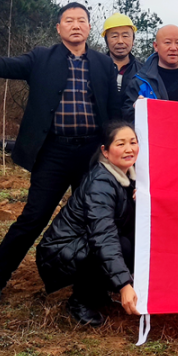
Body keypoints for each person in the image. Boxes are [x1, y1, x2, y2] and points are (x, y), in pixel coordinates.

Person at [0, 2, 122, 302]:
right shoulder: (41, 58)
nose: (76, 25)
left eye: (82, 21)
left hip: (92, 155)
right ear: (58, 28)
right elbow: (5, 65)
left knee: (96, 218)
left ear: (90, 27)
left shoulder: (103, 64)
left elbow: (115, 111)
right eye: (69, 20)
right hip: (54, 153)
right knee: (33, 217)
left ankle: (92, 287)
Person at [36, 121, 140, 326]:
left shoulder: (131, 178)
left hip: (82, 246)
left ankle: (98, 293)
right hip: (60, 253)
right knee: (120, 245)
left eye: (133, 142)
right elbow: (103, 236)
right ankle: (80, 301)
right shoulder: (101, 183)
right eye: (120, 144)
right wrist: (124, 284)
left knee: (131, 243)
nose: (129, 149)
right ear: (106, 151)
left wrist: (142, 201)